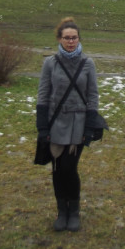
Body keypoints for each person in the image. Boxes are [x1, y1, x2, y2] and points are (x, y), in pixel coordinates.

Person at [36, 17, 99, 232]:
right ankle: (61, 211)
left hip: (79, 125)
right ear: (59, 39)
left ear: (79, 39)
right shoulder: (50, 64)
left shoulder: (87, 63)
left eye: (74, 38)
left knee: (69, 169)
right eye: (66, 38)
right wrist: (42, 127)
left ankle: (74, 211)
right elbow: (43, 95)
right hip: (55, 123)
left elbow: (93, 96)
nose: (70, 42)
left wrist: (89, 127)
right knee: (57, 170)